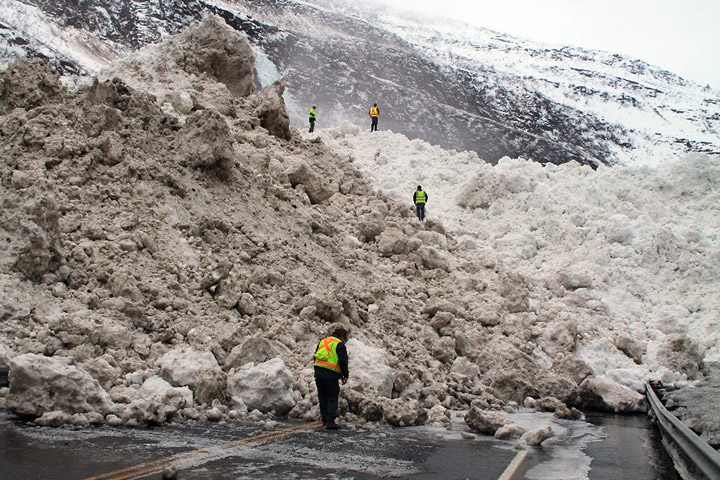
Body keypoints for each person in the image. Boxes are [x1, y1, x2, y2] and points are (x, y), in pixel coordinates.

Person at [313, 327, 349, 429]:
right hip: (331, 375)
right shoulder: (339, 344)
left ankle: (324, 419)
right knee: (332, 397)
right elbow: (343, 361)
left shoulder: (323, 341)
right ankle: (330, 422)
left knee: (322, 396)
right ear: (342, 336)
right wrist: (345, 375)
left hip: (319, 373)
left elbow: (315, 356)